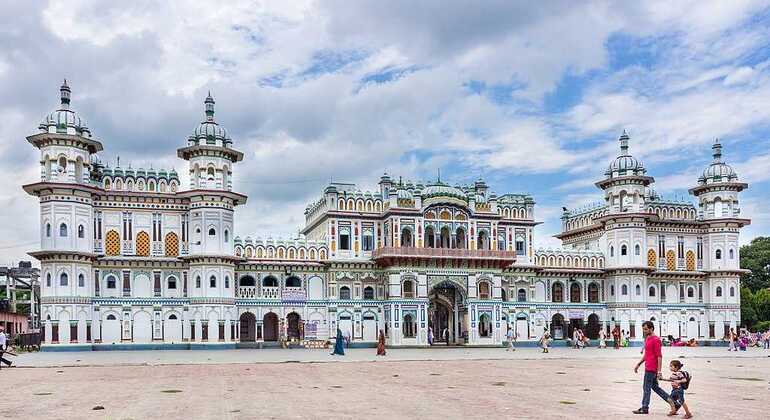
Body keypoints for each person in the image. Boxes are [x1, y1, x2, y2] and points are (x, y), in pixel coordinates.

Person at [633, 320, 676, 415]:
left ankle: (645, 407)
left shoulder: (656, 340)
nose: (644, 331)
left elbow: (659, 356)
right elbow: (647, 355)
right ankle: (672, 402)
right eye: (643, 329)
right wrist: (638, 364)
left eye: (645, 329)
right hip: (648, 367)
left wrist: (659, 371)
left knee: (646, 388)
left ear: (651, 328)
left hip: (652, 369)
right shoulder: (648, 339)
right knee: (655, 388)